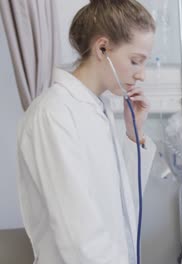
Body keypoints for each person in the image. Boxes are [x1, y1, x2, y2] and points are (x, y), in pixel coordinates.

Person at [16, 0, 158, 263]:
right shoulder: (54, 114)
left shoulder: (98, 108)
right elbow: (80, 238)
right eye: (136, 61)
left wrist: (132, 134)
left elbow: (122, 205)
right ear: (102, 48)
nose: (142, 75)